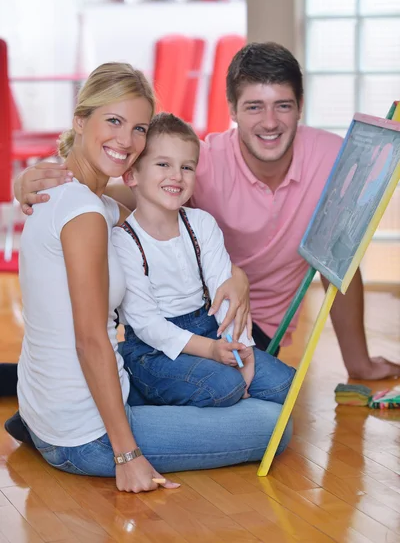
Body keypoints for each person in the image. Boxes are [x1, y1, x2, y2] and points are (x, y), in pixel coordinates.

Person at [14, 42, 399, 380]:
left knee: (251, 394)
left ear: (300, 107)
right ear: (231, 109)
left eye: (283, 106)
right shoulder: (205, 161)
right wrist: (44, 184)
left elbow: (339, 264)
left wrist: (358, 363)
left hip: (252, 327)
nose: (269, 122)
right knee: (121, 368)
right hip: (180, 314)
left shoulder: (335, 159)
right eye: (253, 107)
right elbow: (131, 192)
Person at [4, 61, 293, 493]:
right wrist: (128, 455)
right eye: (114, 121)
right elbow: (90, 340)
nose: (127, 140)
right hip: (85, 435)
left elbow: (158, 216)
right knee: (275, 426)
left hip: (54, 407)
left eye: (139, 128)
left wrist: (236, 275)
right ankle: (103, 438)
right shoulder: (84, 214)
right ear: (80, 121)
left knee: (266, 390)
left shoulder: (82, 198)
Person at [112, 111, 295, 407]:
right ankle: (137, 388)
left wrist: (242, 350)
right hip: (153, 350)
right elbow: (146, 324)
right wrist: (211, 351)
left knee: (284, 384)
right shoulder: (124, 241)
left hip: (209, 329)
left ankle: (227, 409)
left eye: (187, 167)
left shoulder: (202, 224)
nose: (176, 176)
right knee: (223, 387)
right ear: (132, 175)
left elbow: (225, 295)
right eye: (163, 164)